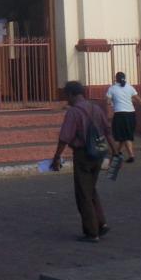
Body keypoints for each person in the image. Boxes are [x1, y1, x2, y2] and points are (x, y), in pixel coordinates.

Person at [50, 81, 114, 243]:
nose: (67, 100)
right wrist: (115, 151)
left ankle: (92, 232)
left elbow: (65, 137)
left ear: (71, 94)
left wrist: (57, 156)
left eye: (67, 96)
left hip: (83, 154)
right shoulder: (96, 108)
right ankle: (101, 222)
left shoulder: (74, 112)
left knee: (83, 194)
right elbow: (107, 130)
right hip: (98, 153)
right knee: (91, 189)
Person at [105, 71, 141, 162]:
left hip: (119, 114)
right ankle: (119, 152)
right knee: (127, 135)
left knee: (121, 136)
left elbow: (108, 102)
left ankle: (127, 155)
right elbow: (139, 100)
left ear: (116, 79)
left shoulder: (112, 89)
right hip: (131, 114)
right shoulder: (130, 88)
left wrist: (109, 112)